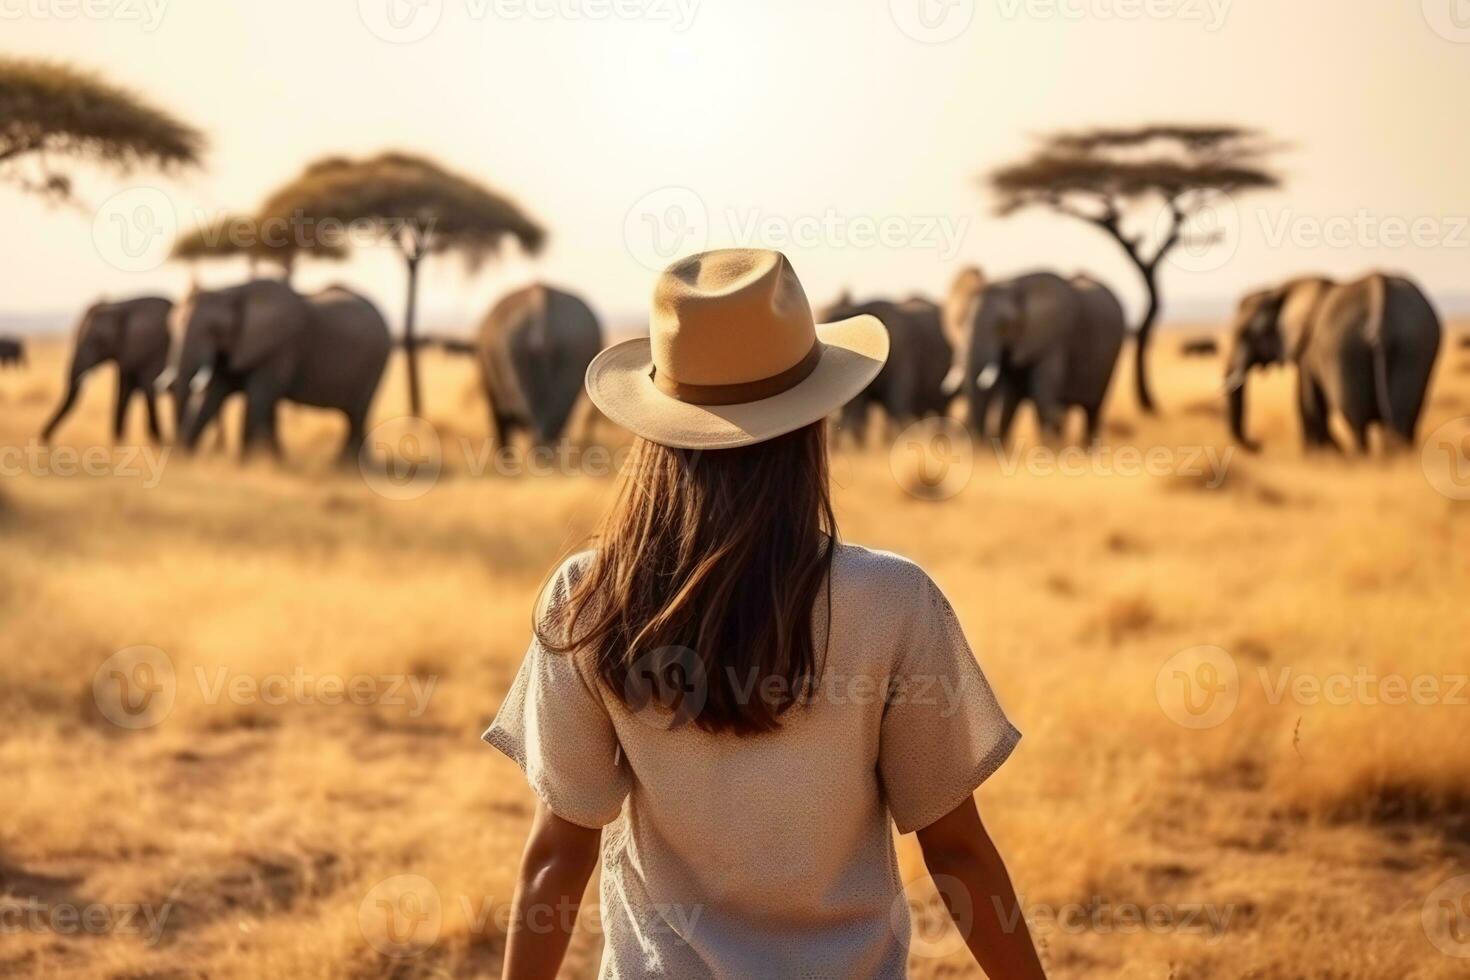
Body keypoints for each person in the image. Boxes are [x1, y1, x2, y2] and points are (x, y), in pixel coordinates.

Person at [484, 249, 1046, 979]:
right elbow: (957, 850)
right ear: (814, 424)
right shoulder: (893, 599)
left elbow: (557, 857)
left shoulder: (589, 596)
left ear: (657, 427)